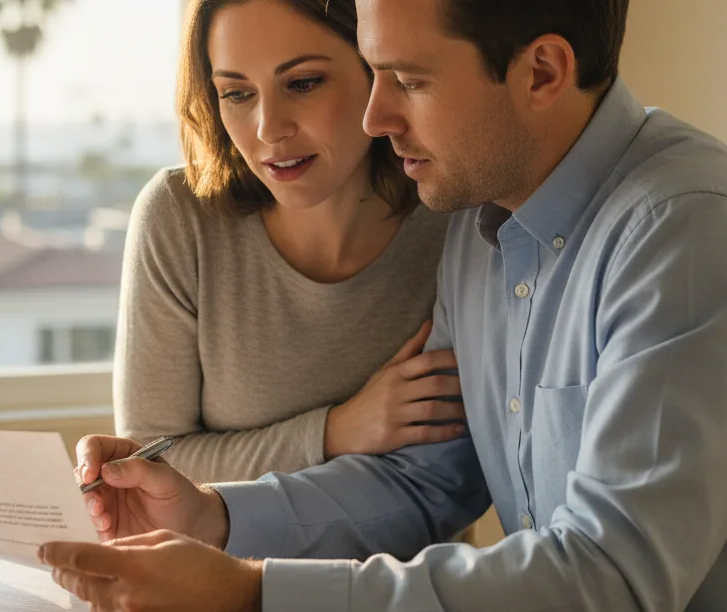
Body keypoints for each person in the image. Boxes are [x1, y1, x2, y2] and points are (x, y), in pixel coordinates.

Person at [43, 0, 727, 609]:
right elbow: (427, 483)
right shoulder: (479, 223)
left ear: (543, 72)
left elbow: (614, 576)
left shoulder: (685, 232)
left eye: (408, 80)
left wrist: (253, 592)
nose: (377, 114)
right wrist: (213, 518)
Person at [114, 0, 465, 484]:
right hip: (204, 562)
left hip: (410, 562)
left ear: (376, 72)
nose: (268, 129)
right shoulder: (179, 217)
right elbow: (148, 463)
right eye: (237, 94)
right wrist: (334, 432)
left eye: (302, 84)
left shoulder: (454, 222)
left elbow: (453, 476)